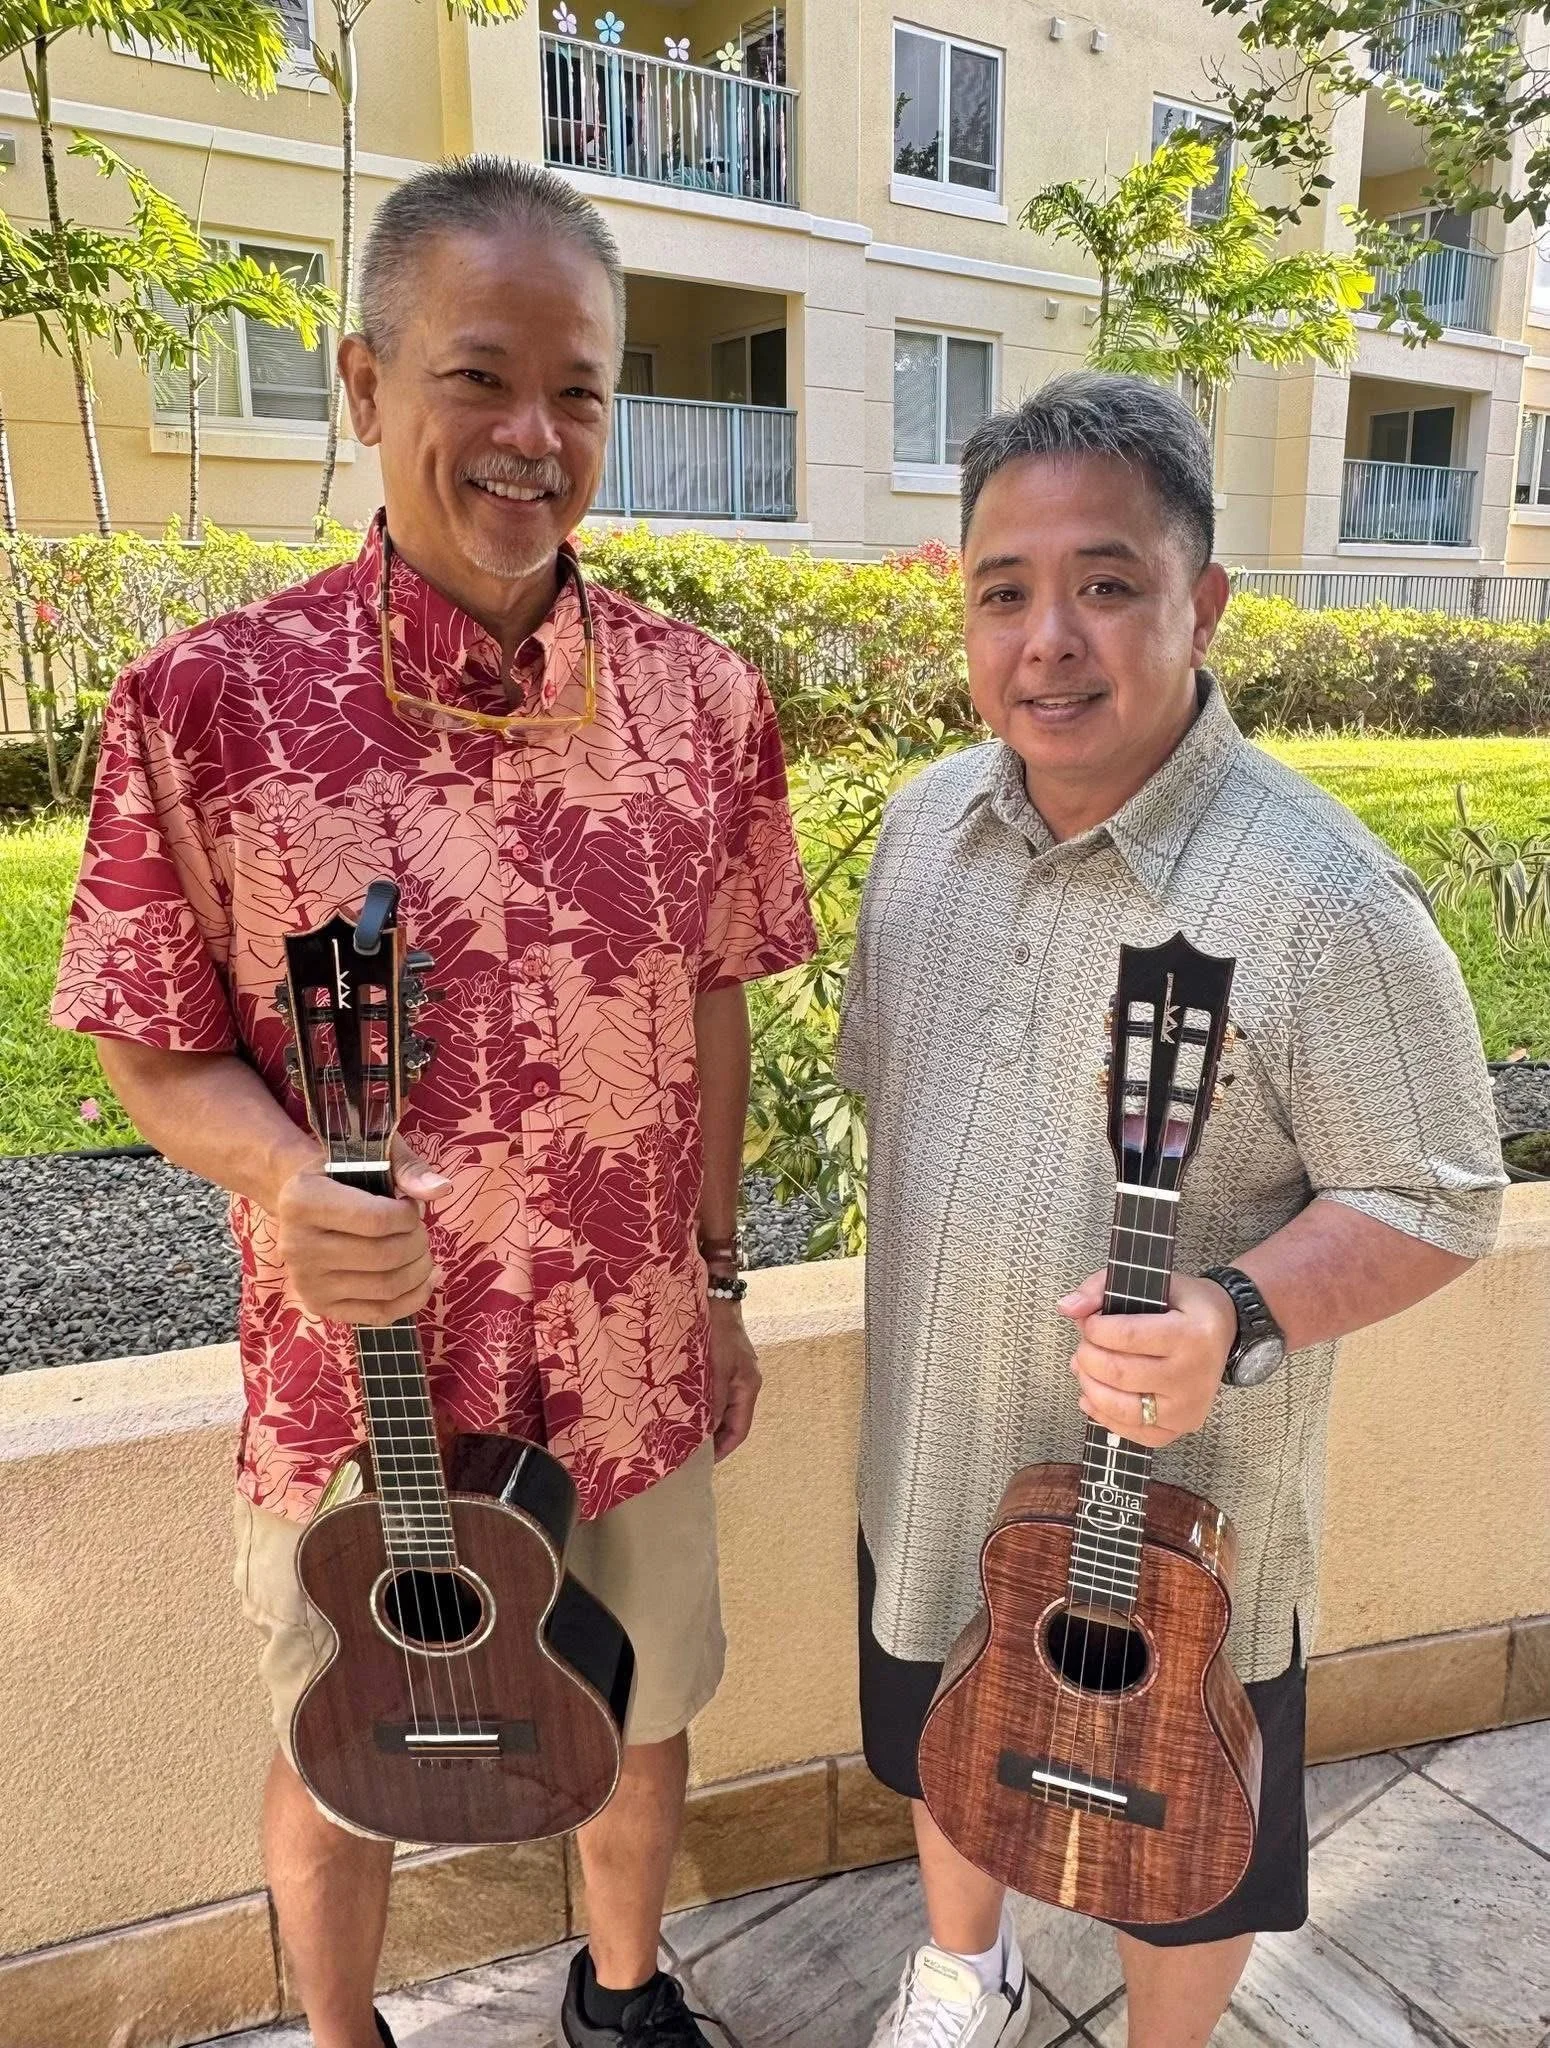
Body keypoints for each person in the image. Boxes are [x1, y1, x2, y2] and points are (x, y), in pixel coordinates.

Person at [52, 156, 815, 2048]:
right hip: (352, 1385)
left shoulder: (703, 702)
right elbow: (145, 1037)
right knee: (338, 1752)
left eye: (579, 390)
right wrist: (282, 1171)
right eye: (480, 377)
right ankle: (338, 2034)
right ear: (364, 381)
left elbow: (714, 1004)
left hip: (627, 1353)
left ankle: (622, 2001)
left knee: (637, 1713)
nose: (533, 438)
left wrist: (718, 1283)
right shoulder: (206, 705)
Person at [837, 371, 1505, 2048]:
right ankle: (959, 1972)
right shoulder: (920, 836)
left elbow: (1439, 1193)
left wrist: (1240, 1311)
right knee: (937, 1714)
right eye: (1005, 592)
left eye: (1107, 583)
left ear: (1200, 604)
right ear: (961, 610)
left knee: (1190, 1848)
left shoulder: (1321, 898)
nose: (1048, 637)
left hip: (1179, 1526)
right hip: (933, 1459)